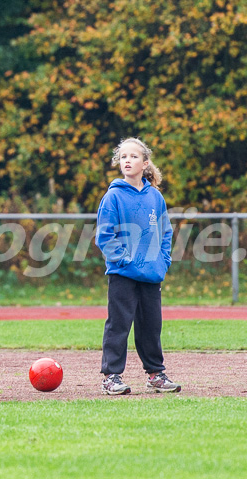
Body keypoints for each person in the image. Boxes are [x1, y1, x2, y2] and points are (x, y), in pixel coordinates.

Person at [96, 137, 181, 395]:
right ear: (118, 163)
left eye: (133, 156)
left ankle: (155, 374)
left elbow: (165, 233)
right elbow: (104, 236)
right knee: (119, 325)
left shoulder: (155, 197)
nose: (128, 161)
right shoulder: (113, 197)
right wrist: (122, 259)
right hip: (123, 274)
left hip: (151, 274)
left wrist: (162, 260)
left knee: (151, 326)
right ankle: (111, 376)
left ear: (145, 163)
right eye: (123, 157)